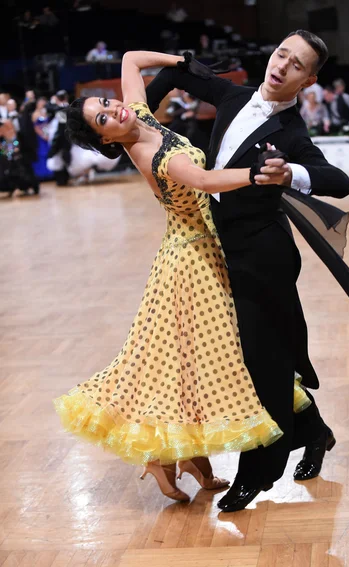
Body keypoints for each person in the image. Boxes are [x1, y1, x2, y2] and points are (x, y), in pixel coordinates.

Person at [145, 30, 349, 512]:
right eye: (282, 54)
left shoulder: (293, 134)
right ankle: (315, 432)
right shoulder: (234, 94)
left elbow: (339, 181)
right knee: (254, 359)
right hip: (217, 252)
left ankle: (258, 472)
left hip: (264, 259)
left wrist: (293, 174)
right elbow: (176, 73)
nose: (283, 65)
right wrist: (142, 118)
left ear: (308, 79)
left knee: (265, 366)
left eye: (297, 64)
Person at [55, 50, 312, 503]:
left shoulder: (135, 112)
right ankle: (168, 454)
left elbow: (132, 60)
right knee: (215, 360)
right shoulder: (150, 153)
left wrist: (181, 60)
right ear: (108, 141)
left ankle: (178, 458)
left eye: (105, 103)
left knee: (194, 362)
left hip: (203, 247)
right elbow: (207, 180)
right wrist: (256, 175)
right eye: (103, 119)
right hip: (193, 261)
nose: (113, 110)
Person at [31, 97, 52, 180]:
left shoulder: (46, 112)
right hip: (40, 137)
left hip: (48, 135)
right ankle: (41, 174)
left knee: (48, 153)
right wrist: (43, 135)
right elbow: (35, 127)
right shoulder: (35, 114)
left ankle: (50, 173)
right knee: (41, 154)